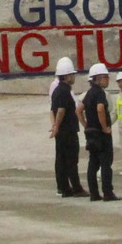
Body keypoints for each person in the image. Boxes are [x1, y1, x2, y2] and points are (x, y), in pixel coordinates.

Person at [82, 63, 120, 201]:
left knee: (93, 163)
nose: (108, 80)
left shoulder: (89, 93)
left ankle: (94, 193)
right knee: (105, 163)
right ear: (98, 78)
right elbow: (100, 109)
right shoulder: (99, 93)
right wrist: (104, 127)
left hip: (91, 133)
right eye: (106, 77)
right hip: (101, 134)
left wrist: (86, 125)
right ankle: (108, 192)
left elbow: (79, 109)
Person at [50, 58, 83, 197]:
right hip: (68, 131)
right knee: (71, 160)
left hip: (61, 132)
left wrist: (54, 127)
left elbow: (52, 110)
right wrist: (56, 126)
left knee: (61, 160)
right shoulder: (64, 91)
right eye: (72, 74)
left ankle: (64, 188)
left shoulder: (57, 90)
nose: (74, 77)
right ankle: (76, 188)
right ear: (67, 75)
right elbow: (61, 110)